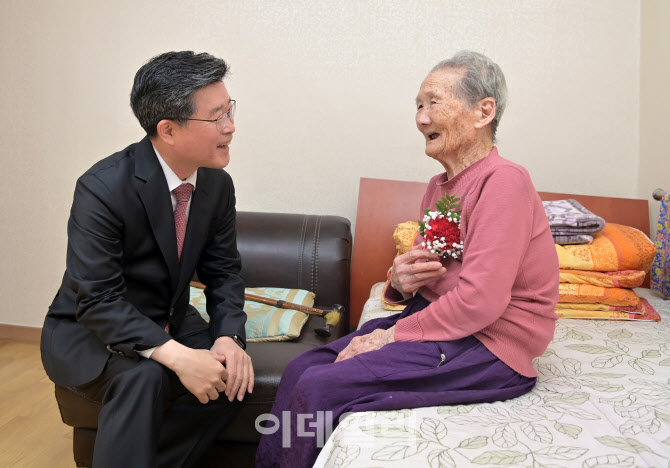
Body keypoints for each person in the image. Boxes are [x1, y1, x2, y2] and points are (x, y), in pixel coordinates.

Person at [255, 50, 559, 467]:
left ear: (483, 111)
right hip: (443, 325)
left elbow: (481, 301)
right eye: (418, 105)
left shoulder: (504, 181)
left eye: (434, 102)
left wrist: (385, 336)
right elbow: (432, 275)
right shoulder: (440, 185)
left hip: (489, 344)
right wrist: (398, 282)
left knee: (321, 388)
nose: (421, 118)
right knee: (301, 368)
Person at [40, 51, 254, 468]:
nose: (230, 127)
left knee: (232, 377)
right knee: (145, 376)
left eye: (230, 111)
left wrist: (229, 335)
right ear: (168, 130)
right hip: (89, 328)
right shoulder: (102, 188)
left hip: (166, 315)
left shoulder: (217, 186)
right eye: (216, 118)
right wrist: (173, 352)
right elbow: (98, 300)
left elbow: (224, 271)